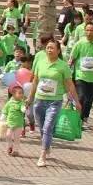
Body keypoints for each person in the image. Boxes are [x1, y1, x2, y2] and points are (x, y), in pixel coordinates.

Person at [29, 40, 81, 168]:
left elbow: (70, 84)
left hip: (54, 101)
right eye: (47, 48)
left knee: (48, 127)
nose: (49, 50)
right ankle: (46, 145)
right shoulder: (40, 63)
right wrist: (30, 97)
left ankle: (42, 155)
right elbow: (35, 81)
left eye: (52, 48)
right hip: (39, 100)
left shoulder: (63, 66)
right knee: (42, 128)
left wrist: (76, 101)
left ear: (58, 51)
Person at [70, 23, 93, 124]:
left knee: (89, 100)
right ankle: (78, 117)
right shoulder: (79, 44)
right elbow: (72, 59)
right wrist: (68, 71)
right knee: (81, 96)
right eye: (87, 30)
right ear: (85, 31)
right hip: (80, 76)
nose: (89, 32)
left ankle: (84, 117)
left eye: (91, 30)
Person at [1, 85, 27, 156]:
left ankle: (16, 150)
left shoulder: (21, 103)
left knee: (17, 138)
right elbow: (5, 110)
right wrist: (3, 117)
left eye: (22, 93)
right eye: (19, 93)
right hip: (10, 123)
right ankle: (10, 145)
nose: (21, 94)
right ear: (13, 94)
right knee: (8, 135)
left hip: (18, 124)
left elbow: (23, 108)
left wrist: (24, 109)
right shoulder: (9, 103)